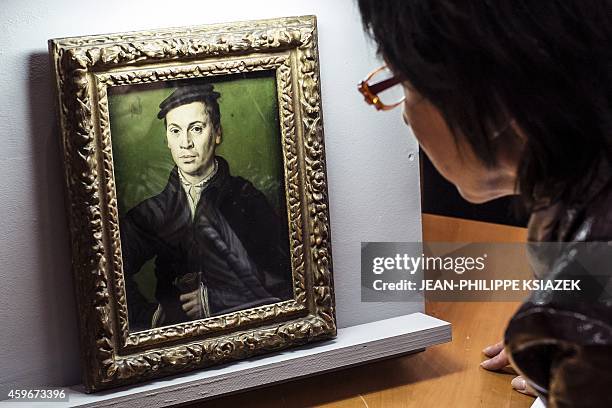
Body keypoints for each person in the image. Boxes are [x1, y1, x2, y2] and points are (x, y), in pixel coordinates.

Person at [357, 0, 612, 406]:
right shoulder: (579, 192)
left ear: (487, 91)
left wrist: (574, 353)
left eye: (404, 85)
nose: (405, 117)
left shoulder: (587, 334)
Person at [120, 84, 292, 331]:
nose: (186, 143)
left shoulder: (247, 200)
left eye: (197, 129)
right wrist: (152, 317)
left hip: (242, 333)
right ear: (166, 139)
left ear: (218, 133)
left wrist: (217, 301)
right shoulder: (155, 210)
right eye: (175, 131)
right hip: (175, 346)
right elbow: (107, 271)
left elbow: (285, 279)